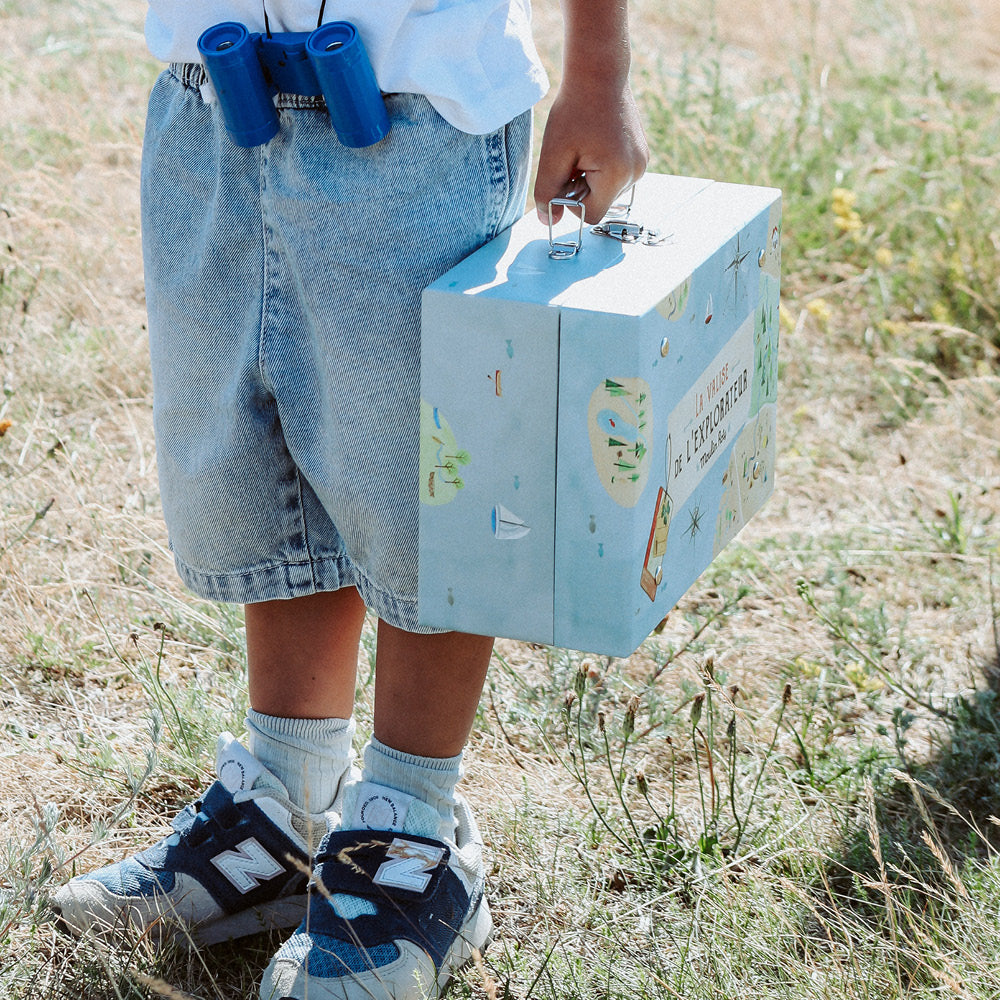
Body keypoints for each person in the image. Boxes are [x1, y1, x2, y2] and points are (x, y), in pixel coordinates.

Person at [54, 0, 648, 996]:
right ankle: (284, 806)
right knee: (263, 454)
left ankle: (413, 835)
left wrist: (599, 71)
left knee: (426, 483)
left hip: (418, 119)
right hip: (212, 99)